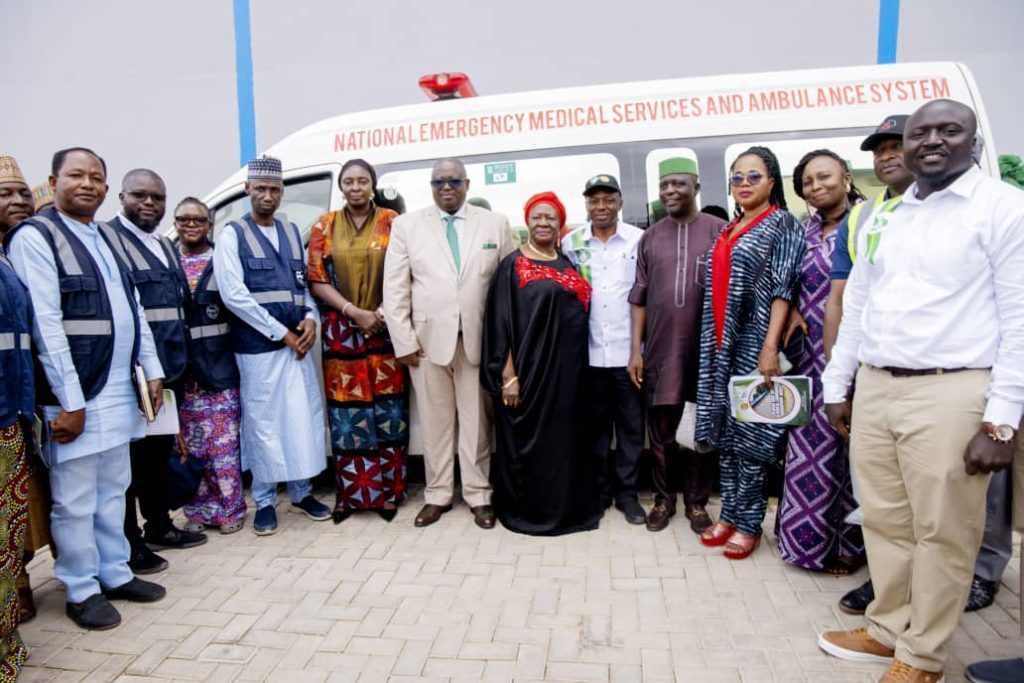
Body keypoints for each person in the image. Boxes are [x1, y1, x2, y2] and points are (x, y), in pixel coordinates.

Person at [819, 99, 1024, 683]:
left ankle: (922, 657)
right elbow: (858, 304)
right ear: (906, 146)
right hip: (878, 386)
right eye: (920, 133)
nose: (932, 140)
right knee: (884, 520)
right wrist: (839, 384)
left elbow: (1021, 318)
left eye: (948, 130)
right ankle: (887, 630)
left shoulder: (1004, 209)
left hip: (953, 391)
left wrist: (1001, 421)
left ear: (973, 140)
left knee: (943, 531)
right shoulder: (891, 213)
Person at [6, 147, 167, 630]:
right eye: (76, 175)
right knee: (74, 498)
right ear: (54, 180)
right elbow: (47, 325)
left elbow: (132, 309)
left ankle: (114, 571)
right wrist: (69, 403)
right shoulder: (36, 238)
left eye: (96, 177)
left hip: (118, 388)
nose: (87, 184)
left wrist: (151, 368)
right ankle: (80, 588)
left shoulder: (105, 237)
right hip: (74, 395)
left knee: (114, 488)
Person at [382, 158, 514, 529]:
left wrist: (504, 343)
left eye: (454, 181)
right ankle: (437, 494)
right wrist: (403, 340)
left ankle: (479, 495)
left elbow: (508, 286)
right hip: (425, 344)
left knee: (476, 425)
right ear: (431, 186)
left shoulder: (494, 223)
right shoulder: (407, 226)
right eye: (439, 182)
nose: (447, 187)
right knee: (436, 425)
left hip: (479, 343)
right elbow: (395, 287)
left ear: (467, 184)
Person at [695, 146, 805, 560]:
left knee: (755, 436)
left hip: (756, 342)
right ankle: (729, 513)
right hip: (721, 344)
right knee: (726, 435)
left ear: (772, 182)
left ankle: (749, 523)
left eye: (753, 176)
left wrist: (770, 346)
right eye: (737, 177)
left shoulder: (781, 223)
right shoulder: (730, 229)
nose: (743, 184)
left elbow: (783, 286)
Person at [213, 155, 331, 536]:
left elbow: (304, 288)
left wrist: (311, 318)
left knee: (300, 419)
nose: (267, 195)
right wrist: (281, 334)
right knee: (264, 424)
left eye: (274, 189)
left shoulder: (291, 232)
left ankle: (302, 491)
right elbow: (235, 296)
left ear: (282, 193)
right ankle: (264, 500)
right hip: (259, 348)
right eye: (260, 188)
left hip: (296, 346)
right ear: (248, 189)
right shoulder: (232, 235)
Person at [481, 191, 599, 535]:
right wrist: (508, 376)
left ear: (560, 223)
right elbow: (499, 324)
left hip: (570, 378)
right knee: (529, 449)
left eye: (550, 217)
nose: (544, 222)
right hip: (530, 377)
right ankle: (530, 513)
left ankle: (567, 510)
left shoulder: (568, 264)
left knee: (564, 447)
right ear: (527, 223)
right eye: (537, 217)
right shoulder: (512, 265)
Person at [107, 169, 205, 573]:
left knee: (156, 455)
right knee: (130, 464)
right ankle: (130, 544)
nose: (149, 204)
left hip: (168, 374)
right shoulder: (110, 241)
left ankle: (159, 525)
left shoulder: (165, 245)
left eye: (157, 198)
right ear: (123, 197)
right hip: (135, 375)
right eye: (141, 196)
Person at [776, 150, 865, 573]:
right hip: (809, 357)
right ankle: (806, 545)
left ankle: (853, 545)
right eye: (808, 182)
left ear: (846, 178)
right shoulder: (803, 230)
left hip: (856, 353)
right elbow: (787, 280)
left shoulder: (867, 222)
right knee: (810, 451)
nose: (817, 187)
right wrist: (792, 307)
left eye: (825, 177)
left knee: (854, 452)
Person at [306, 159, 408, 524]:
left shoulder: (392, 222)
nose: (355, 188)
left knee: (388, 415)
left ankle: (389, 494)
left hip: (385, 327)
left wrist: (378, 313)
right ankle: (349, 496)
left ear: (373, 185)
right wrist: (354, 311)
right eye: (348, 181)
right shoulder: (324, 226)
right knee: (347, 417)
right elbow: (316, 278)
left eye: (362, 181)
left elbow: (405, 271)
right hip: (341, 330)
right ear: (341, 186)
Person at [627, 158, 725, 533]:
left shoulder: (720, 231)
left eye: (678, 183)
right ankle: (664, 499)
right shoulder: (650, 237)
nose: (669, 191)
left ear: (696, 186)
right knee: (663, 434)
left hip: (705, 353)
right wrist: (636, 350)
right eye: (664, 184)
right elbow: (639, 297)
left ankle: (697, 504)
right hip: (661, 354)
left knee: (699, 432)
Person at [562, 174, 646, 525]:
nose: (601, 206)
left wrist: (640, 350)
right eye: (594, 200)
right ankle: (598, 493)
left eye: (608, 200)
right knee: (594, 432)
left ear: (620, 203)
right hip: (590, 356)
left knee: (630, 430)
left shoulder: (640, 240)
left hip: (630, 356)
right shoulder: (571, 243)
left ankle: (627, 495)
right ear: (586, 205)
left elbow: (644, 295)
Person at [174, 198, 246, 535]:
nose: (191, 225)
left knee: (224, 448)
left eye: (198, 219)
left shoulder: (222, 259)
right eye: (184, 219)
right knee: (194, 446)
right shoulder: (167, 260)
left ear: (210, 223)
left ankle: (230, 510)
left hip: (219, 368)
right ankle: (200, 511)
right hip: (184, 375)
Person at [0, 155, 34, 677]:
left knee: (9, 535)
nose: (19, 201)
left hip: (9, 414)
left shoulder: (9, 257)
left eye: (23, 192)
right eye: (6, 192)